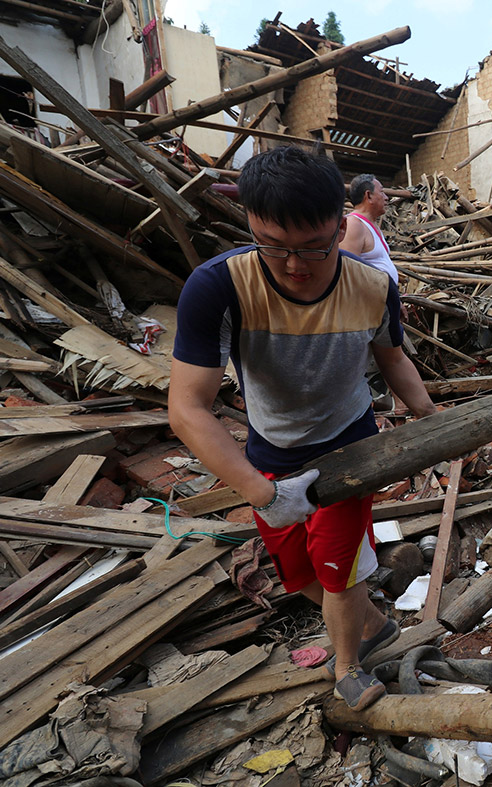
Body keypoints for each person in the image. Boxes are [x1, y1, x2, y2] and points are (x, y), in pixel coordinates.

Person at [169, 147, 437, 711]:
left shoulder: (372, 286)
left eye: (314, 247)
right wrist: (260, 491)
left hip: (349, 451)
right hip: (270, 453)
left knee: (339, 572)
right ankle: (374, 625)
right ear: (250, 226)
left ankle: (348, 666)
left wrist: (434, 426)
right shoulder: (219, 287)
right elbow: (187, 408)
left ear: (341, 226)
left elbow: (393, 359)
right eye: (273, 245)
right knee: (299, 573)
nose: (294, 264)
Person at [340, 173, 399, 284]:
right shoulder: (354, 225)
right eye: (381, 192)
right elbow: (347, 273)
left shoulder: (371, 225)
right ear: (369, 196)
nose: (386, 198)